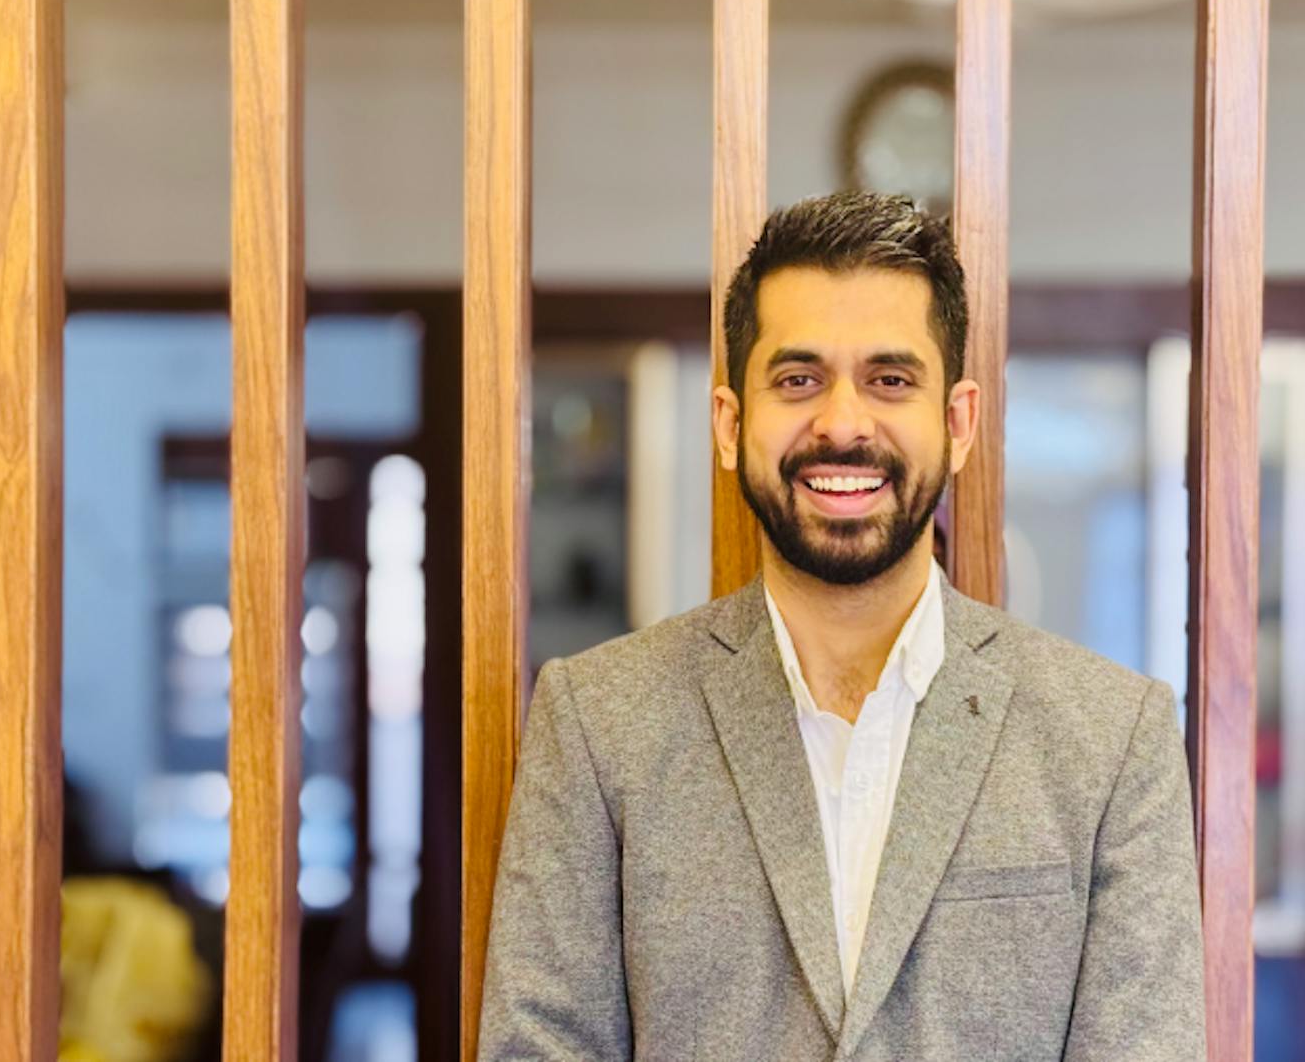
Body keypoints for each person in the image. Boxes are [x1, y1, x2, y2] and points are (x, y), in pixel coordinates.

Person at [479, 191, 1205, 1060]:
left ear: (958, 423)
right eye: (799, 379)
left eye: (890, 380)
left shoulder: (1112, 739)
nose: (843, 423)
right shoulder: (599, 722)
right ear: (730, 424)